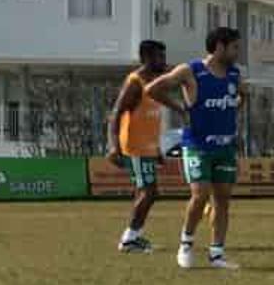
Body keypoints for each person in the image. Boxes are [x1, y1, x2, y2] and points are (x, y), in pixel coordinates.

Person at [142, 27, 246, 270]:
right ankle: (186, 245)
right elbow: (152, 89)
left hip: (225, 146)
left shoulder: (234, 74)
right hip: (197, 145)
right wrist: (180, 109)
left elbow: (243, 95)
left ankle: (217, 254)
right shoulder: (191, 71)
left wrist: (232, 112)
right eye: (234, 47)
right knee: (200, 195)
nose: (237, 52)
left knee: (223, 200)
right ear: (220, 46)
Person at [105, 39, 169, 252]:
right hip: (134, 146)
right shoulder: (135, 82)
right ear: (146, 58)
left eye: (163, 56)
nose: (163, 61)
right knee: (150, 192)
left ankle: (135, 236)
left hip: (147, 147)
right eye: (159, 57)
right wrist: (113, 146)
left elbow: (150, 118)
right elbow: (116, 113)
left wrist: (157, 148)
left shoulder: (155, 82)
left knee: (143, 191)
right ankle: (128, 239)